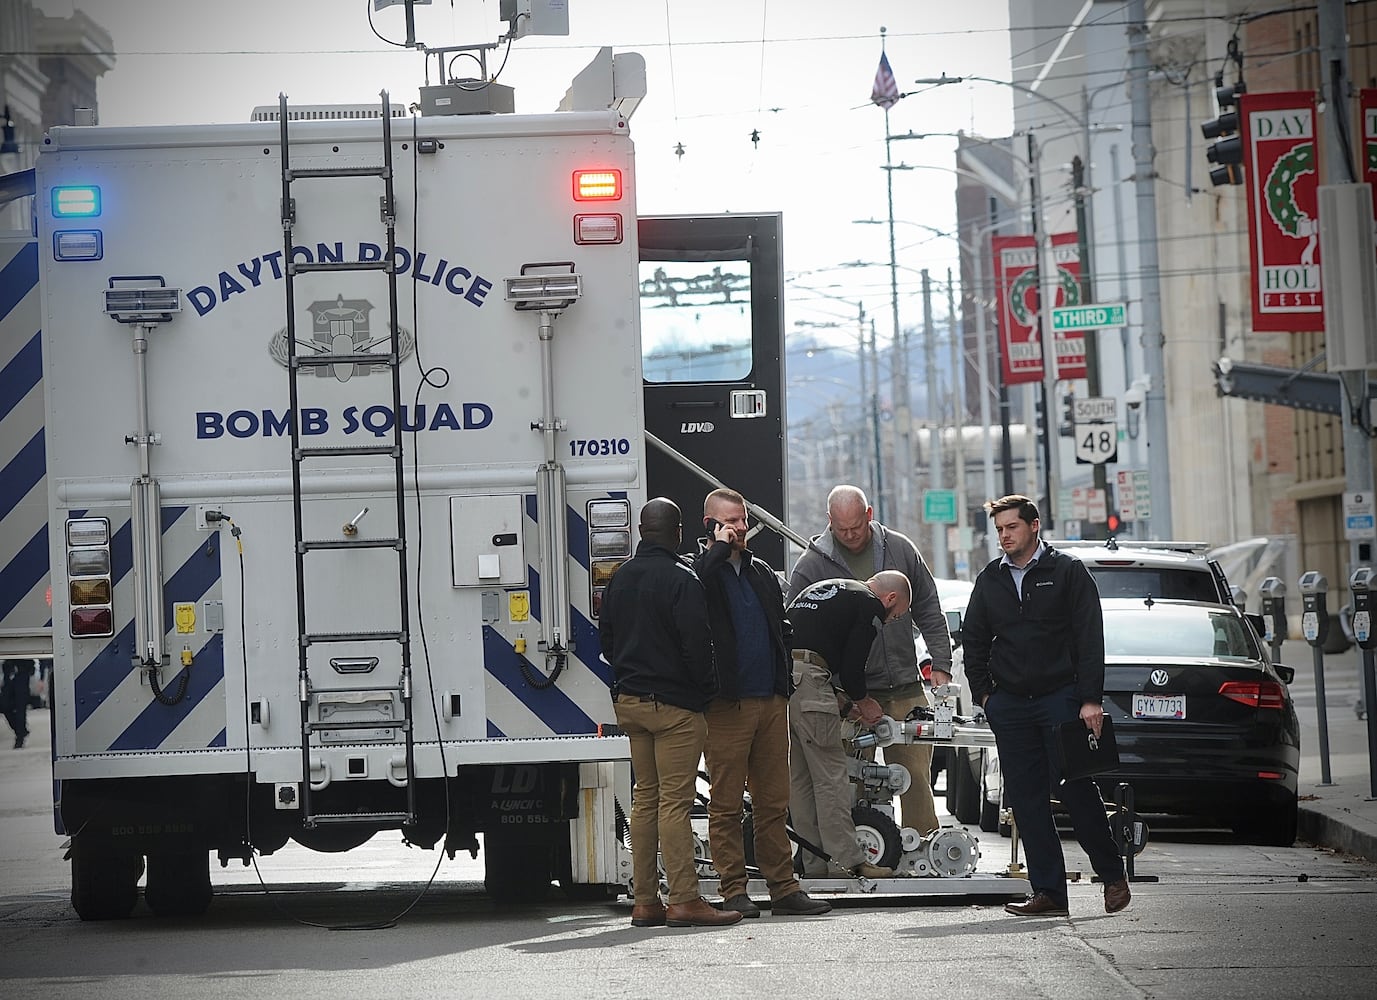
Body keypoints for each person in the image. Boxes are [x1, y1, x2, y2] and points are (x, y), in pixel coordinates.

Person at [961, 494, 1131, 917]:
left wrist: (1090, 699)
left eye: (1011, 527)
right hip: (1012, 706)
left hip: (1061, 700)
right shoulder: (991, 580)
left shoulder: (1068, 572)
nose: (1004, 536)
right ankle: (1050, 893)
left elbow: (1090, 638)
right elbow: (975, 641)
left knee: (1077, 789)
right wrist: (986, 697)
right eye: (999, 529)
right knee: (1027, 799)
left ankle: (1112, 876)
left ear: (1034, 526)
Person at [598, 497, 742, 929]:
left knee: (645, 799)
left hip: (631, 704)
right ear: (678, 533)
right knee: (675, 805)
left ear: (642, 532)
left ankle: (645, 901)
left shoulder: (618, 579)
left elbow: (606, 642)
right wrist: (706, 691)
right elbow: (697, 648)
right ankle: (683, 900)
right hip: (675, 707)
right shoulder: (682, 579)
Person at [694, 488, 831, 918]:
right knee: (727, 803)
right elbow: (699, 589)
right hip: (726, 705)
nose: (738, 527)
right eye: (728, 521)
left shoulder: (760, 573)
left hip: (770, 699)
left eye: (741, 519)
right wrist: (718, 550)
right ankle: (733, 889)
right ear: (710, 526)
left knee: (774, 801)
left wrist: (783, 680)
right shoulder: (699, 570)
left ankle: (783, 889)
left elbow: (782, 626)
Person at [787, 485, 951, 838]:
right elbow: (796, 625)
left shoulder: (900, 548)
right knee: (849, 776)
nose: (849, 535)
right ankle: (861, 849)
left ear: (869, 515)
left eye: (856, 527)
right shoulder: (812, 563)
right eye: (841, 529)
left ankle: (922, 846)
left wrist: (941, 663)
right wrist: (840, 696)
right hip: (847, 694)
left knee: (915, 777)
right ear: (829, 522)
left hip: (904, 686)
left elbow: (928, 608)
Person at [786, 571, 911, 879]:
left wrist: (843, 705)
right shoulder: (869, 605)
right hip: (811, 682)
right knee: (831, 778)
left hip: (784, 681)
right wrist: (865, 702)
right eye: (895, 617)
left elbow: (814, 651)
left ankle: (814, 864)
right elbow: (854, 668)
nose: (888, 621)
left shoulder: (828, 587)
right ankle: (848, 863)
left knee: (800, 780)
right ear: (890, 598)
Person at [2, 658, 36, 749]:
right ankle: (20, 731)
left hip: (22, 673)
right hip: (8, 673)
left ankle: (20, 738)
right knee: (4, 706)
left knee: (20, 710)